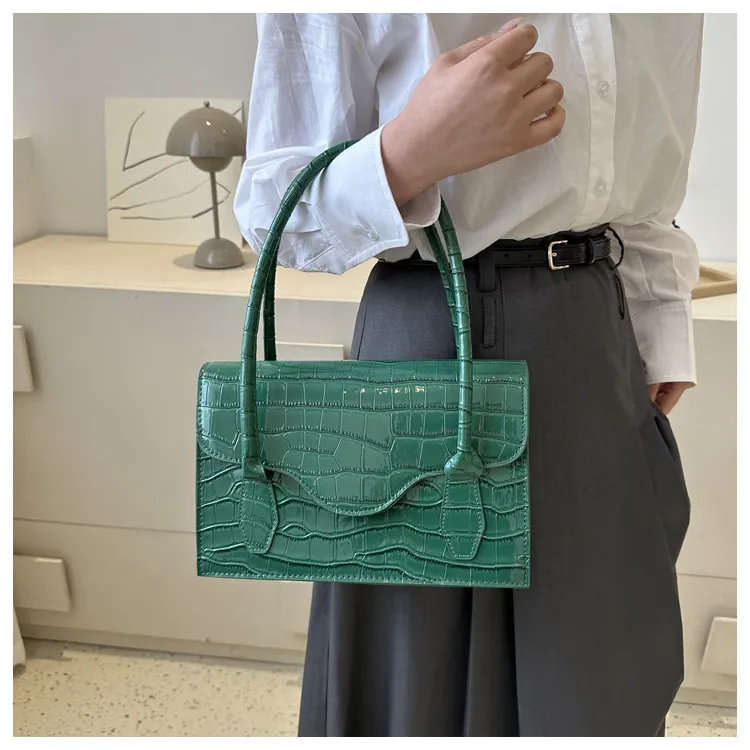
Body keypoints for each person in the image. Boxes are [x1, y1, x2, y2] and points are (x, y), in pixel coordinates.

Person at [234, 13, 703, 737]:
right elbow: (272, 209)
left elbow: (644, 188)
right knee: (411, 691)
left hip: (593, 337)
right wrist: (408, 152)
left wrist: (660, 318)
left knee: (601, 685)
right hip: (422, 344)